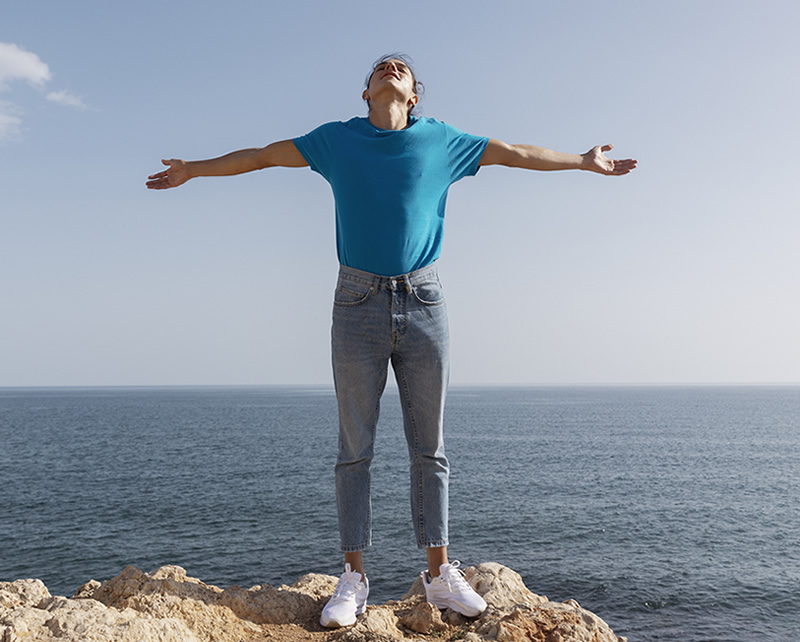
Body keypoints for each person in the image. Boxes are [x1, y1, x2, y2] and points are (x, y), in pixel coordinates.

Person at [146, 53, 637, 629]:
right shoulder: (336, 141)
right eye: (381, 66)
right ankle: (352, 578)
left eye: (400, 66)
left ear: (413, 95)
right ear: (366, 92)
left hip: (426, 302)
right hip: (355, 302)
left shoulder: (443, 141)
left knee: (430, 447)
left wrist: (583, 161)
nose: (390, 66)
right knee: (354, 449)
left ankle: (439, 576)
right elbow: (260, 156)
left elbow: (518, 154)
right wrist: (193, 170)